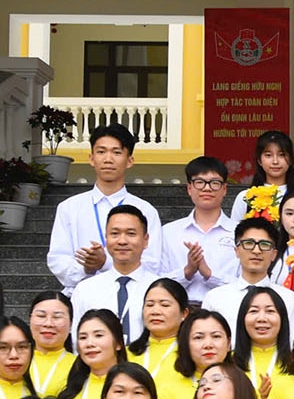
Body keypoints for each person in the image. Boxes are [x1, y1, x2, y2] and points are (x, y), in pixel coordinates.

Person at [45, 123, 164, 295]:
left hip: (132, 294)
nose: (108, 159)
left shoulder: (145, 210)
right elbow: (58, 259)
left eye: (116, 152)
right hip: (81, 295)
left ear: (129, 161)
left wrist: (105, 263)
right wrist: (86, 268)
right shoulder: (69, 208)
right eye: (101, 152)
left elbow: (152, 264)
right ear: (91, 158)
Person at [70, 206, 162, 345]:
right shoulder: (85, 290)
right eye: (115, 234)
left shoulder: (160, 289)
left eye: (131, 234)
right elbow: (77, 341)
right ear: (106, 238)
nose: (122, 241)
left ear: (146, 240)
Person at [159, 156, 234, 302]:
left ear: (224, 189)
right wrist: (187, 272)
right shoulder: (168, 232)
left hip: (224, 308)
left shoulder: (238, 233)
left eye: (215, 183)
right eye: (199, 182)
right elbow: (157, 281)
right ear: (189, 188)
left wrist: (209, 275)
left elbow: (244, 284)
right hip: (178, 309)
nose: (207, 188)